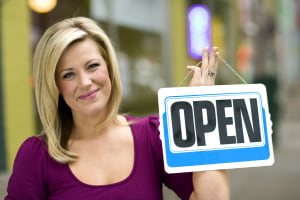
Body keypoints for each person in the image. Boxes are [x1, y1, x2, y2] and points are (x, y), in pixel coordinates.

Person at [5, 17, 229, 200]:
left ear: (109, 68)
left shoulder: (152, 136)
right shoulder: (37, 157)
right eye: (69, 74)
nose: (85, 82)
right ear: (55, 86)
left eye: (92, 66)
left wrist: (199, 113)